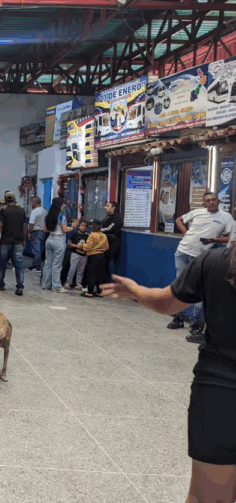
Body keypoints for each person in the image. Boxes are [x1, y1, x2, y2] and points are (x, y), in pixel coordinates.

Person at [102, 254, 236, 503]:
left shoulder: (214, 262)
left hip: (220, 395)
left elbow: (167, 303)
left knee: (208, 497)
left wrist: (135, 291)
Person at [167, 191, 233, 343]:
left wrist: (214, 239)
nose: (211, 202)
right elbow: (179, 219)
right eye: (208, 200)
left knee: (199, 289)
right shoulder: (197, 212)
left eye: (213, 200)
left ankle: (195, 324)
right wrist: (186, 233)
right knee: (180, 286)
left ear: (218, 201)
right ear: (204, 203)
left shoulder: (226, 217)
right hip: (182, 252)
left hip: (200, 257)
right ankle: (178, 318)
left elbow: (231, 237)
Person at [0, 191, 27, 295]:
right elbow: (24, 227)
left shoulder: (3, 210)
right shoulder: (21, 210)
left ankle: (0, 284)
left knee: (2, 263)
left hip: (5, 241)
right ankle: (20, 286)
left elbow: (0, 225)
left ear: (5, 199)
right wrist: (24, 239)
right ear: (14, 199)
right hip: (18, 241)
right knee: (19, 264)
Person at [41, 197, 73, 293]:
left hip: (49, 239)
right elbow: (64, 230)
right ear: (60, 205)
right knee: (57, 265)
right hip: (59, 240)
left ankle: (45, 284)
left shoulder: (48, 215)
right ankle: (56, 286)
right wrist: (72, 227)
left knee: (48, 263)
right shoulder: (61, 216)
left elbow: (44, 229)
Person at [81, 219, 108, 298]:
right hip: (102, 256)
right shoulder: (104, 235)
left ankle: (90, 292)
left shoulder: (92, 235)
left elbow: (88, 247)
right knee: (100, 274)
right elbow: (106, 247)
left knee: (91, 274)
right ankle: (99, 292)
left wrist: (83, 246)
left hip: (93, 256)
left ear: (93, 226)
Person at [64, 219, 89, 291]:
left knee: (81, 270)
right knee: (72, 268)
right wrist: (76, 246)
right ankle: (68, 283)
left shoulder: (88, 236)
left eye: (85, 226)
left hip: (84, 255)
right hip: (75, 253)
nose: (83, 228)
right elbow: (69, 243)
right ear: (78, 226)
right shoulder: (74, 234)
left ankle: (78, 283)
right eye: (82, 226)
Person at [101, 201, 123, 274]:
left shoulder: (117, 217)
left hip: (113, 244)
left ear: (113, 207)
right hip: (105, 242)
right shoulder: (107, 217)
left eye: (108, 206)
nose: (106, 208)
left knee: (105, 261)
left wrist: (98, 230)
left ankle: (106, 282)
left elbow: (110, 228)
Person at [27, 197, 47, 271]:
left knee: (36, 249)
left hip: (36, 231)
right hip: (43, 232)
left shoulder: (34, 211)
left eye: (32, 202)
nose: (31, 204)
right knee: (41, 249)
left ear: (34, 203)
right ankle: (39, 264)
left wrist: (29, 232)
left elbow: (31, 223)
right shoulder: (44, 211)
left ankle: (36, 265)